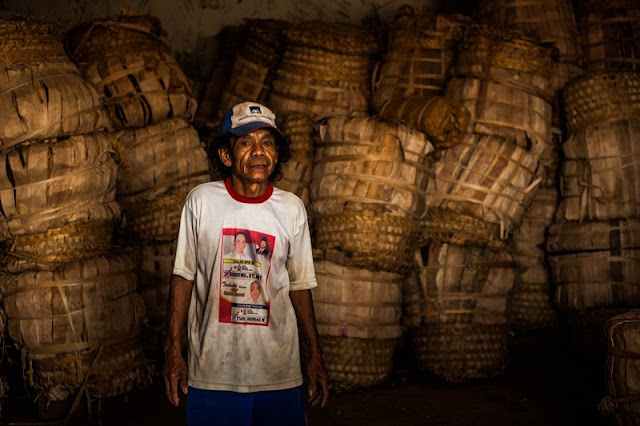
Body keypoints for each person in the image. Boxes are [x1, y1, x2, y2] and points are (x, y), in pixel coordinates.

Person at [163, 101, 329, 426]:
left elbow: (299, 286)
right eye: (246, 142)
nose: (258, 152)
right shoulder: (201, 202)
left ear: (276, 154)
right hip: (213, 372)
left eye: (267, 142)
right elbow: (183, 277)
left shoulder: (291, 209)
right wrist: (172, 350)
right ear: (226, 156)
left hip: (278, 372)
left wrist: (315, 355)